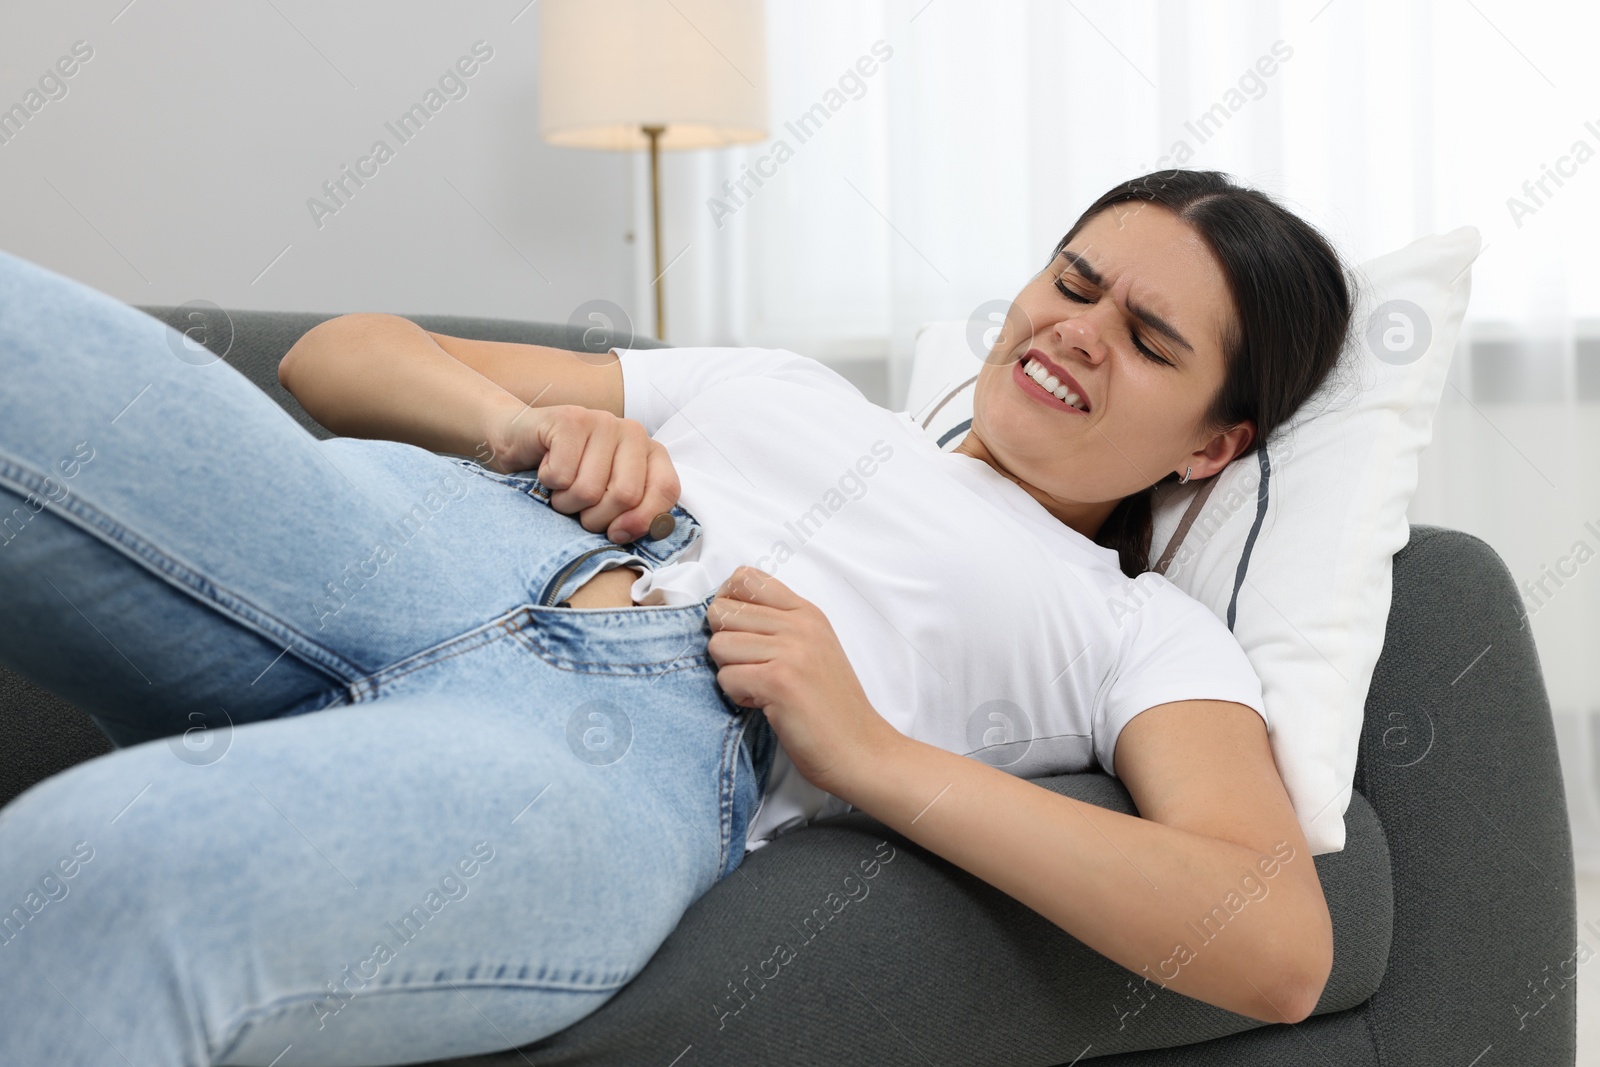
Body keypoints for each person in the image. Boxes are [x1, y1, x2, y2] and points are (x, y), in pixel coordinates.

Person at [0, 169, 1351, 1066]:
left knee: (104, 872)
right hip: (410, 532)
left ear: (1210, 449)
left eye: (1149, 338)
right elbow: (339, 355)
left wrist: (874, 753)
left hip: (622, 746)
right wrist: (527, 426)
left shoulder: (1144, 631)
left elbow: (1274, 939)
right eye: (1073, 283)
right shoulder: (781, 385)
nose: (1078, 331)